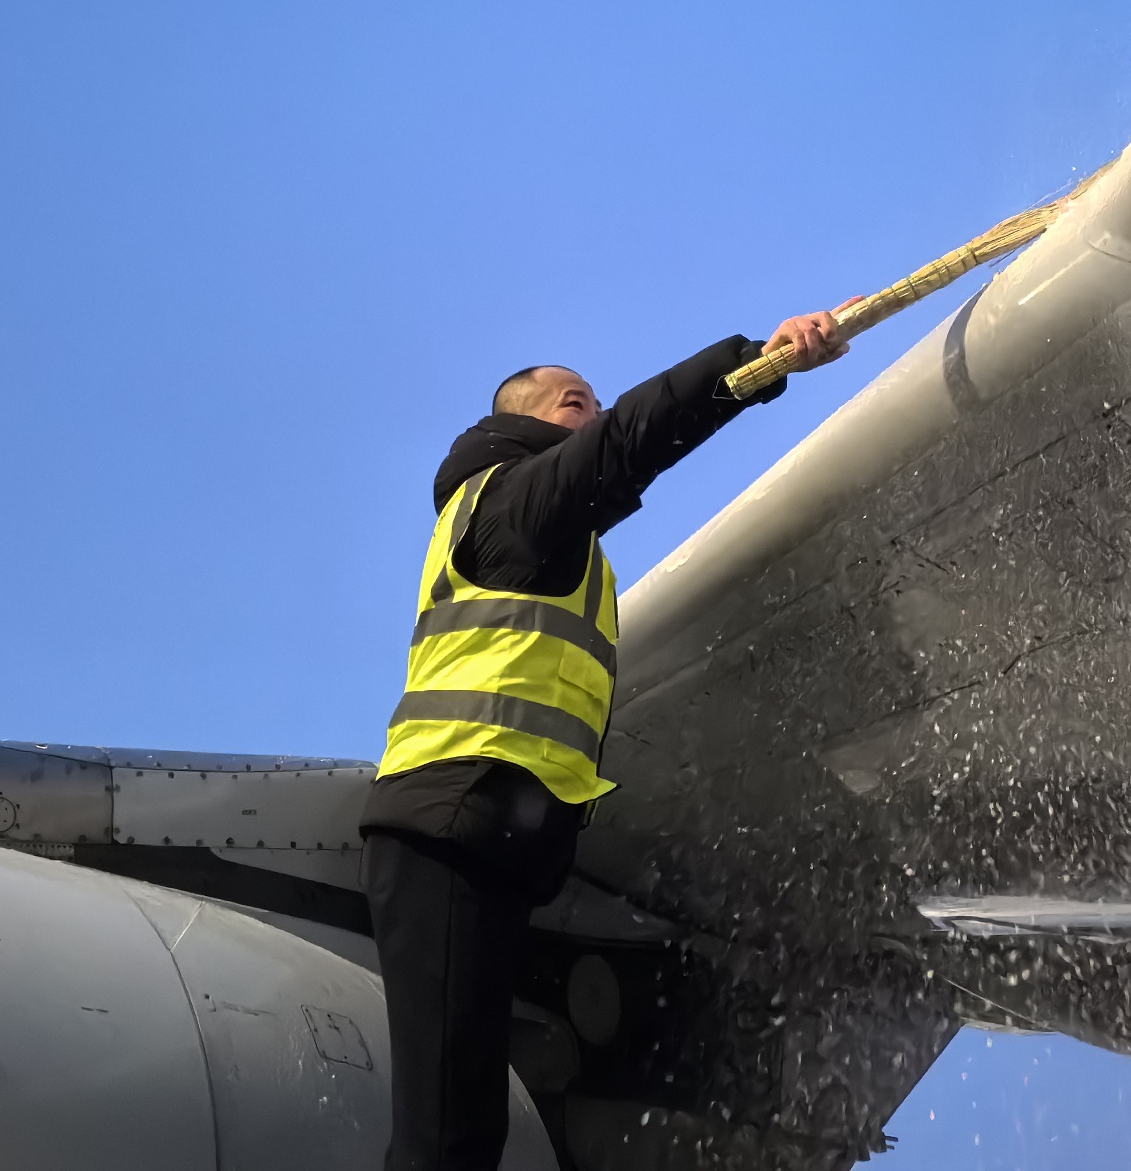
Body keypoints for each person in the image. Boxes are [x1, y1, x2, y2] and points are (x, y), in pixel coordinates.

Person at [360, 311, 856, 1171]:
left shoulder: (548, 544)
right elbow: (631, 439)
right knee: (448, 1139)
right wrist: (755, 364)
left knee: (465, 1131)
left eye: (590, 404)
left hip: (487, 833)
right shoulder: (510, 508)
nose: (590, 417)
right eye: (573, 402)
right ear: (523, 423)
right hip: (451, 822)